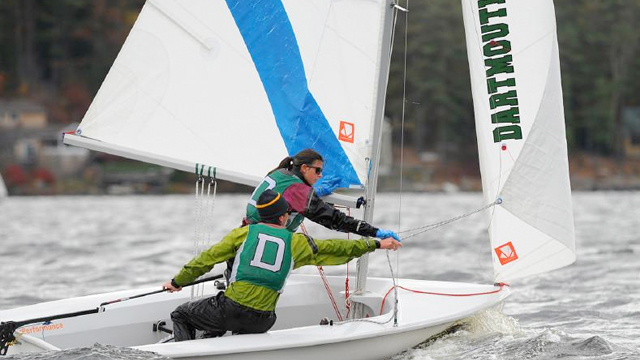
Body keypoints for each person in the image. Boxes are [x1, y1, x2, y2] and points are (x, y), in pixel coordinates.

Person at [163, 190, 402, 341]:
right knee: (221, 321)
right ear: (281, 217)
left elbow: (204, 260)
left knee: (181, 314)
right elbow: (337, 249)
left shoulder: (241, 235)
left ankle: (184, 353)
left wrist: (177, 282)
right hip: (264, 320)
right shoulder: (297, 242)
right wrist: (376, 244)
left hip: (230, 310)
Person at [245, 148, 399, 240]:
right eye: (317, 170)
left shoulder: (280, 173)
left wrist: (314, 193)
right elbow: (333, 219)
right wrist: (374, 232)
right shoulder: (296, 190)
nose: (320, 176)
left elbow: (288, 197)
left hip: (247, 234)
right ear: (304, 168)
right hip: (261, 240)